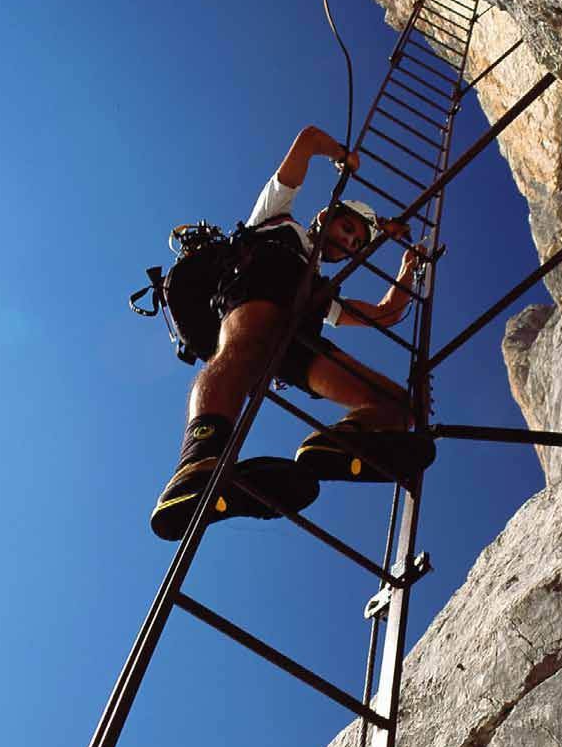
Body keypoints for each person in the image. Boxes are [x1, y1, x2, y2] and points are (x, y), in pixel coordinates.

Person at [150, 125, 435, 540]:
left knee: (398, 406)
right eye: (348, 229)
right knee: (242, 348)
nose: (349, 242)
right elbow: (306, 141)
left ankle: (338, 445)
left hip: (293, 338)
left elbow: (384, 314)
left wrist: (407, 270)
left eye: (356, 244)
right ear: (328, 216)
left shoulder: (320, 287)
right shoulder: (276, 215)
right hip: (255, 291)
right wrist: (341, 153)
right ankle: (197, 465)